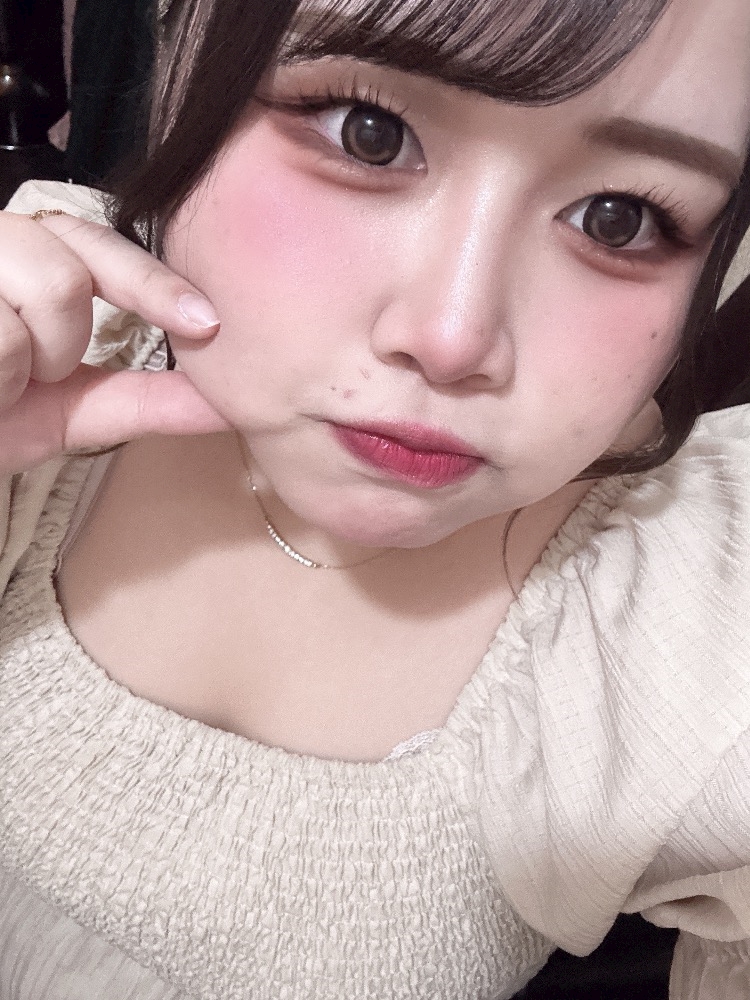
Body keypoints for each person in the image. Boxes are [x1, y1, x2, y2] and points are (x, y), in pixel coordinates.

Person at [0, 0, 749, 997]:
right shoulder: (48, 337)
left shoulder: (686, 630)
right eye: (370, 133)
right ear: (180, 49)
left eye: (620, 218)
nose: (451, 338)